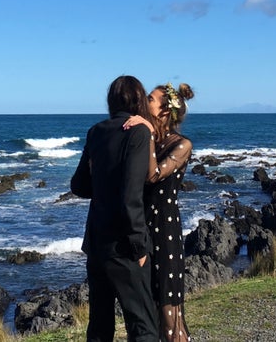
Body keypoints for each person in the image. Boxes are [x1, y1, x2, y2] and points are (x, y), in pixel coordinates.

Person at [70, 75, 159, 342]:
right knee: (142, 325)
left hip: (96, 243)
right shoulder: (138, 132)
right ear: (139, 100)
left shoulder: (96, 131)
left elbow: (79, 186)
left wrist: (102, 181)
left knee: (99, 326)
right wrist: (137, 244)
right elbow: (131, 193)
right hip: (124, 245)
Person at [124, 82, 195, 342]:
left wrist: (146, 132)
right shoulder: (147, 137)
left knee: (169, 310)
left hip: (165, 230)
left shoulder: (182, 144)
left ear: (165, 111)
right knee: (146, 307)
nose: (144, 101)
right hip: (142, 229)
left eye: (150, 99)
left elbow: (153, 175)